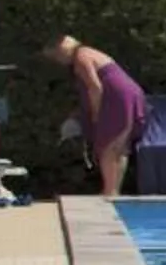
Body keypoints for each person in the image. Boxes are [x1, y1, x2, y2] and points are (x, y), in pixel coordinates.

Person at [48, 35, 147, 197]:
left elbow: (95, 87)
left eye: (56, 56)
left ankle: (109, 191)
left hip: (117, 97)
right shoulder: (88, 52)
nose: (57, 61)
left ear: (62, 50)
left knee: (108, 146)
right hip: (130, 93)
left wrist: (96, 114)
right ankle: (113, 190)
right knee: (119, 148)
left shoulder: (81, 57)